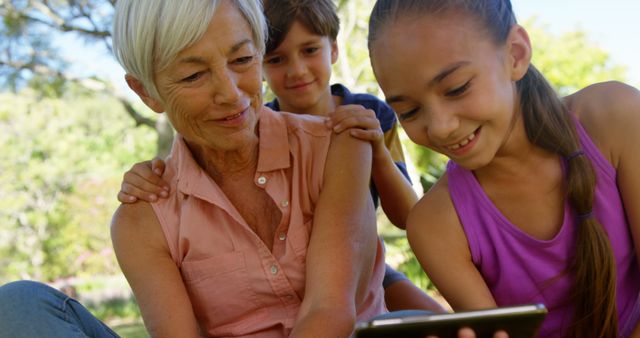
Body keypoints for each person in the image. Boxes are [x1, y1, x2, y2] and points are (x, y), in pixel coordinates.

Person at [0, 1, 388, 337]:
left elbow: (331, 310)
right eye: (193, 75)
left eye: (242, 60)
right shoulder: (142, 221)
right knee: (17, 305)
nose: (231, 93)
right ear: (147, 92)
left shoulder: (340, 144)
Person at [117, 0, 445, 314]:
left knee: (443, 319)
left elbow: (407, 218)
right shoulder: (240, 127)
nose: (297, 71)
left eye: (242, 59)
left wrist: (375, 151)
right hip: (334, 271)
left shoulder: (363, 117)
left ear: (333, 48)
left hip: (362, 256)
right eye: (277, 59)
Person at [366, 0, 640, 337]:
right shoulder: (435, 225)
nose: (440, 127)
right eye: (408, 111)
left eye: (456, 88)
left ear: (515, 53)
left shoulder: (616, 117)